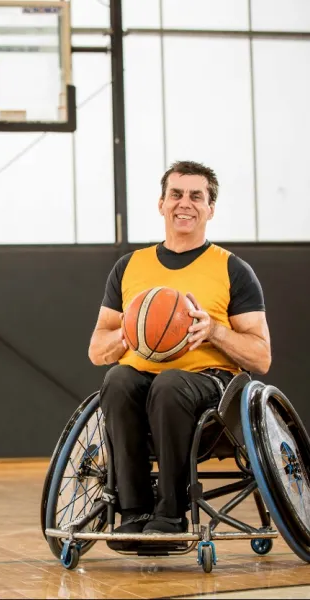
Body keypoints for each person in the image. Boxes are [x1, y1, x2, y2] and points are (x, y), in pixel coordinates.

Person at [87, 160, 271, 548]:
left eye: (196, 196)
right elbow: (97, 349)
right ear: (161, 204)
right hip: (141, 377)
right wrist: (130, 332)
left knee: (169, 384)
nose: (184, 203)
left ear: (210, 209)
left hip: (209, 382)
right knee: (118, 379)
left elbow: (261, 356)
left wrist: (215, 330)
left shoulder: (232, 269)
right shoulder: (129, 266)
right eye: (176, 194)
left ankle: (171, 514)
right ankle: (134, 511)